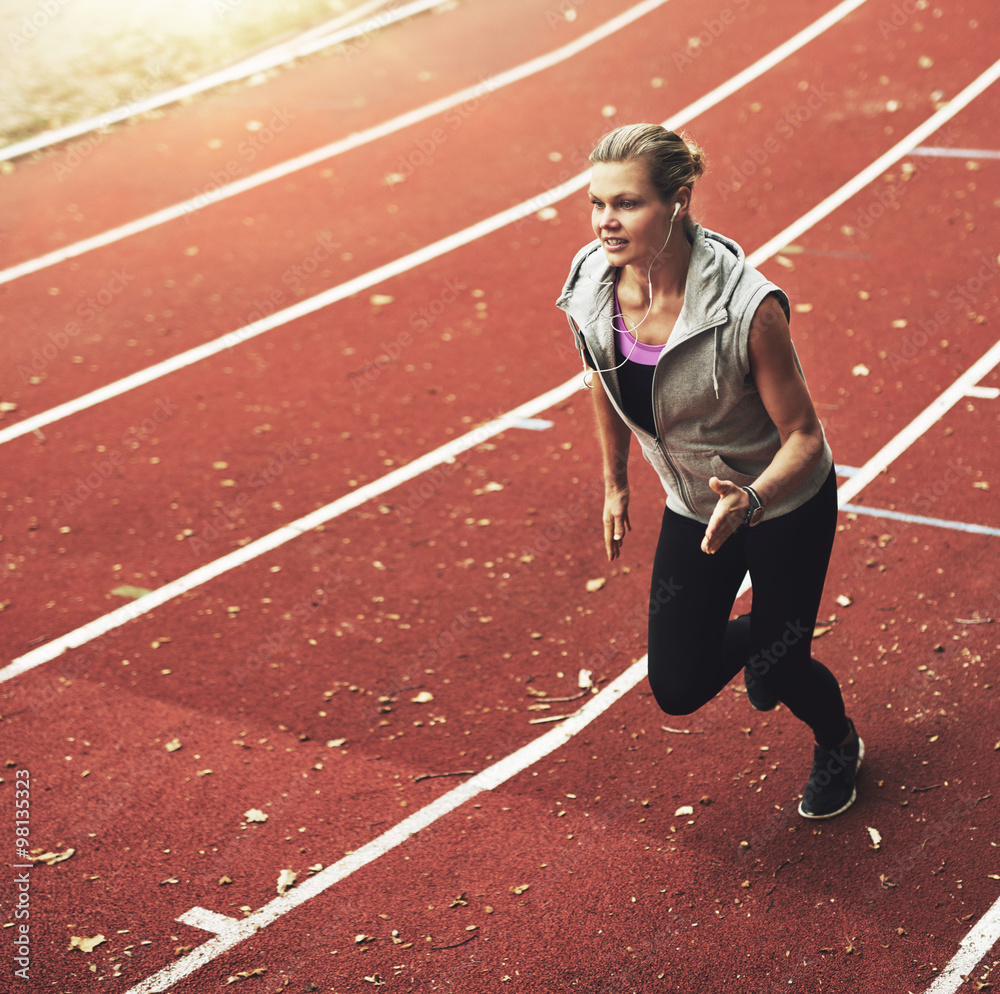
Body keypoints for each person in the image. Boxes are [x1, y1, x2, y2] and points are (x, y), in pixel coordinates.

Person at [555, 123, 862, 819]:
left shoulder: (749, 310)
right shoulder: (589, 287)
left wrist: (751, 498)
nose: (606, 221)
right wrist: (615, 482)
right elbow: (600, 381)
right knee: (679, 684)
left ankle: (838, 740)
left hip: (781, 502)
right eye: (597, 203)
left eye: (627, 204)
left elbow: (806, 438)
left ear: (680, 200)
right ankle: (773, 631)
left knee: (783, 670)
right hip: (694, 504)